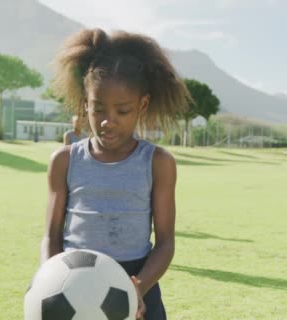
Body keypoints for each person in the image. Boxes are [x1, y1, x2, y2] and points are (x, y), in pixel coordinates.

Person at [39, 28, 190, 320]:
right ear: (85, 104)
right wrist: (51, 281)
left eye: (122, 111)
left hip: (137, 283)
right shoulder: (64, 160)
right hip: (74, 284)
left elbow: (166, 242)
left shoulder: (158, 162)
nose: (108, 121)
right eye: (98, 109)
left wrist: (138, 287)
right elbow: (50, 236)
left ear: (141, 106)